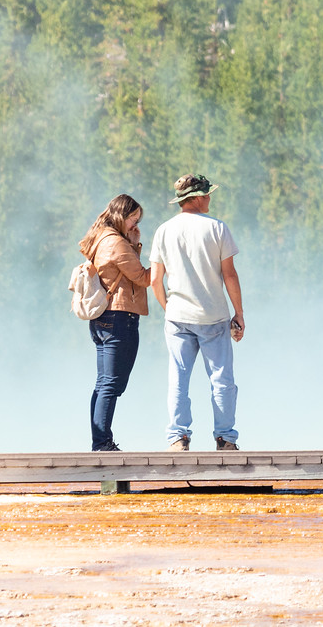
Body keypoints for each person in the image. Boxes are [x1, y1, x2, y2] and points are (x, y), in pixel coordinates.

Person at [147, 173, 244, 453]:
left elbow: (155, 280)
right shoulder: (217, 228)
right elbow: (230, 275)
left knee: (178, 378)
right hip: (213, 316)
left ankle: (178, 438)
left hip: (178, 316)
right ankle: (225, 439)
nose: (210, 198)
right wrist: (239, 313)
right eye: (208, 194)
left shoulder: (164, 230)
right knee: (222, 379)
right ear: (198, 198)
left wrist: (169, 309)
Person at [79, 194, 151, 452]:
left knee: (104, 384)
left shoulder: (103, 239)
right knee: (111, 385)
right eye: (133, 219)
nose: (136, 224)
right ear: (122, 216)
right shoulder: (115, 243)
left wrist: (134, 243)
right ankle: (102, 444)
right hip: (119, 317)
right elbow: (142, 277)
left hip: (104, 320)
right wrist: (165, 265)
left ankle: (101, 442)